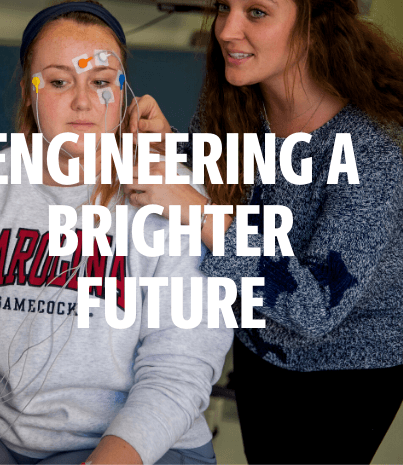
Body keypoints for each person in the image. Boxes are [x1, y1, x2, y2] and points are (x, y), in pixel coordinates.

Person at [0, 1, 233, 464]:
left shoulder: (171, 198)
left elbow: (177, 372)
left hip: (136, 443)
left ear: (123, 92)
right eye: (58, 82)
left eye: (99, 83)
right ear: (28, 91)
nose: (81, 101)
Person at [123, 0, 403, 463]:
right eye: (223, 7)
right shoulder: (240, 101)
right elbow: (227, 184)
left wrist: (195, 209)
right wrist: (171, 147)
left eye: (256, 12)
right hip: (258, 343)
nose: (227, 30)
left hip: (346, 369)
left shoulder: (375, 147)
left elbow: (314, 307)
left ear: (314, 24)